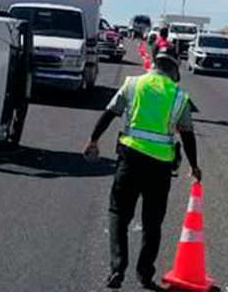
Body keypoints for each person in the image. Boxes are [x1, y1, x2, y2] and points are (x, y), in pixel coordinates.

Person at [85, 49, 201, 290]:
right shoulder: (179, 96)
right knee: (152, 221)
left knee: (118, 212)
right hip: (160, 165)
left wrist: (93, 139)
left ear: (154, 65)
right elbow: (188, 135)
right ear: (173, 71)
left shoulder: (133, 84)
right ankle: (145, 273)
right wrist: (194, 165)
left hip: (130, 158)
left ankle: (117, 268)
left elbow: (109, 113)